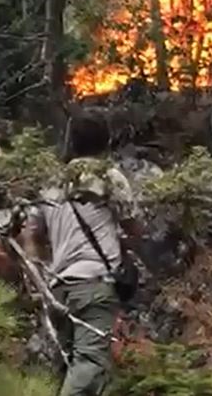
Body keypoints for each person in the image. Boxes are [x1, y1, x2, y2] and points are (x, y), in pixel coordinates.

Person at [19, 159, 141, 396]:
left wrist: (39, 279)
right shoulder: (108, 177)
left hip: (58, 289)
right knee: (89, 367)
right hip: (94, 286)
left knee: (69, 367)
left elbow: (31, 234)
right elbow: (135, 227)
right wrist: (121, 247)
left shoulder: (51, 183)